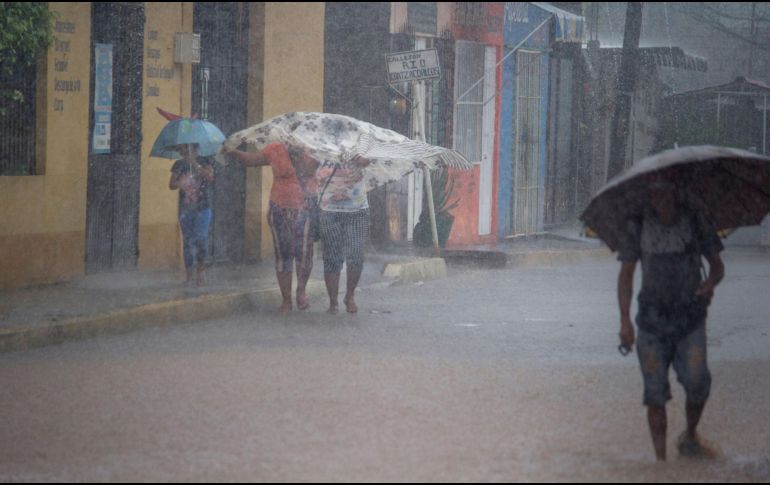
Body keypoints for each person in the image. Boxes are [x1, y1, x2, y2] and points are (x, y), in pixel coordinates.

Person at [616, 174, 725, 462]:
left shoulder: (695, 221)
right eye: (654, 192)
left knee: (698, 382)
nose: (660, 198)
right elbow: (626, 274)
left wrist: (710, 284)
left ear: (676, 192)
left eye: (665, 192)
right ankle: (661, 464)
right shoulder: (637, 225)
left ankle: (690, 434)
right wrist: (625, 321)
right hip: (651, 322)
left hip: (690, 320)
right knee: (654, 394)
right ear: (648, 194)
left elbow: (717, 266)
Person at [224, 143, 318, 312]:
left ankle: (301, 291)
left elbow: (310, 171)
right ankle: (286, 299)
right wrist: (233, 152)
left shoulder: (312, 149)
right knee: (283, 254)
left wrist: (299, 154)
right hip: (278, 207)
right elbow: (251, 160)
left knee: (304, 253)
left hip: (305, 207)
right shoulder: (275, 148)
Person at [316, 154, 371, 314]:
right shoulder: (321, 142)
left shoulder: (360, 141)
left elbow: (368, 161)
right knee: (332, 256)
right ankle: (333, 302)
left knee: (356, 254)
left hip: (357, 208)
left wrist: (357, 158)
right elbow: (310, 164)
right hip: (328, 208)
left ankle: (350, 296)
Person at [169, 143, 215, 287]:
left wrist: (195, 164)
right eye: (182, 149)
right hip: (185, 209)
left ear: (195, 150)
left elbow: (209, 177)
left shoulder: (204, 161)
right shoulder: (178, 165)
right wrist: (179, 183)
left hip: (202, 208)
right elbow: (171, 185)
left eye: (187, 149)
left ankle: (201, 273)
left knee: (201, 239)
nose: (184, 152)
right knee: (188, 242)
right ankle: (189, 276)